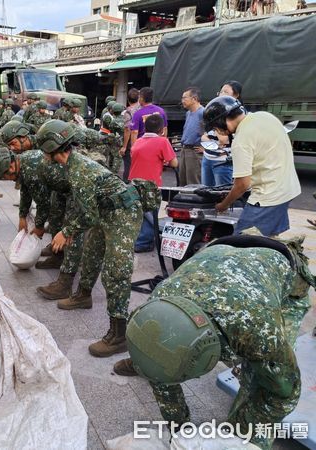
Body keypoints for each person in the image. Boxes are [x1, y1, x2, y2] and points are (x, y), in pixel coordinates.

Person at [115, 234, 315, 449]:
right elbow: (163, 379)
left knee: (259, 382)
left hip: (285, 270)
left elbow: (284, 395)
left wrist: (236, 437)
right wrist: (182, 435)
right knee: (160, 363)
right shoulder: (159, 304)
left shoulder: (259, 331)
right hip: (223, 248)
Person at [37, 120, 143, 358]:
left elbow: (89, 214)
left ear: (51, 148)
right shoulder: (73, 165)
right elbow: (90, 211)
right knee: (91, 254)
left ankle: (118, 335)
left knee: (115, 272)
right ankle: (83, 296)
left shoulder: (79, 170)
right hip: (106, 210)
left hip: (123, 213)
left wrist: (66, 232)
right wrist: (70, 229)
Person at [204, 96, 301, 236]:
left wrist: (223, 205)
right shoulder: (265, 116)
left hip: (268, 197)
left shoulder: (242, 139)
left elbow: (242, 185)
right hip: (287, 188)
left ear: (222, 121)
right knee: (266, 241)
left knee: (242, 245)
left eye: (215, 127)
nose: (217, 132)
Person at [129, 114, 178, 253]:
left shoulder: (138, 141)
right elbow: (174, 162)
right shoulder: (162, 141)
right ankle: (144, 242)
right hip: (151, 184)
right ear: (162, 129)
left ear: (145, 128)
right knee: (150, 213)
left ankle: (139, 239)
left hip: (134, 182)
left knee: (139, 212)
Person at [0, 147, 49, 239]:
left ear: (11, 168)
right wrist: (22, 216)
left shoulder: (30, 171)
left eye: (5, 177)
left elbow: (44, 203)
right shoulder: (22, 161)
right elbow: (25, 191)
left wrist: (39, 227)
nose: (8, 180)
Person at [179, 87, 204, 186]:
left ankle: (195, 201)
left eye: (185, 98)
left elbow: (211, 132)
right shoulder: (188, 113)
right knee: (183, 181)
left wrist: (205, 148)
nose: (182, 101)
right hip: (184, 150)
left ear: (194, 99)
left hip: (194, 152)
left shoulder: (203, 113)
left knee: (193, 182)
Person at [119, 88, 141, 182]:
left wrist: (124, 146)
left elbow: (128, 129)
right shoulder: (142, 109)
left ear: (128, 99)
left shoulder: (128, 112)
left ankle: (127, 185)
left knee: (128, 166)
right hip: (142, 141)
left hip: (131, 143)